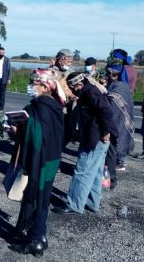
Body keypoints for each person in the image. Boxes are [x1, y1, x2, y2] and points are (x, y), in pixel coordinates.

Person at [8, 69, 64, 257]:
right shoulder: (53, 104)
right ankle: (41, 235)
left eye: (33, 83)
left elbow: (37, 135)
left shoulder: (41, 107)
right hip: (51, 158)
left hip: (40, 160)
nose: (30, 86)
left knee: (35, 197)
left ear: (44, 85)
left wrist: (18, 130)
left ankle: (35, 240)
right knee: (43, 196)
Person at [53, 72, 114, 215]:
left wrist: (106, 131)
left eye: (72, 87)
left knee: (83, 170)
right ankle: (92, 202)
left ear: (79, 84)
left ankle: (74, 204)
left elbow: (106, 111)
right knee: (96, 172)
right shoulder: (87, 92)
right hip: (94, 137)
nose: (72, 90)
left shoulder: (91, 93)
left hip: (95, 138)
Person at [104, 64, 135, 184]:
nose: (106, 76)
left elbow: (110, 105)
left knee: (108, 157)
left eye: (107, 73)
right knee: (110, 156)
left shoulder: (118, 87)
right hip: (118, 123)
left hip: (115, 124)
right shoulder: (123, 85)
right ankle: (108, 180)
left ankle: (107, 181)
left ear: (112, 74)